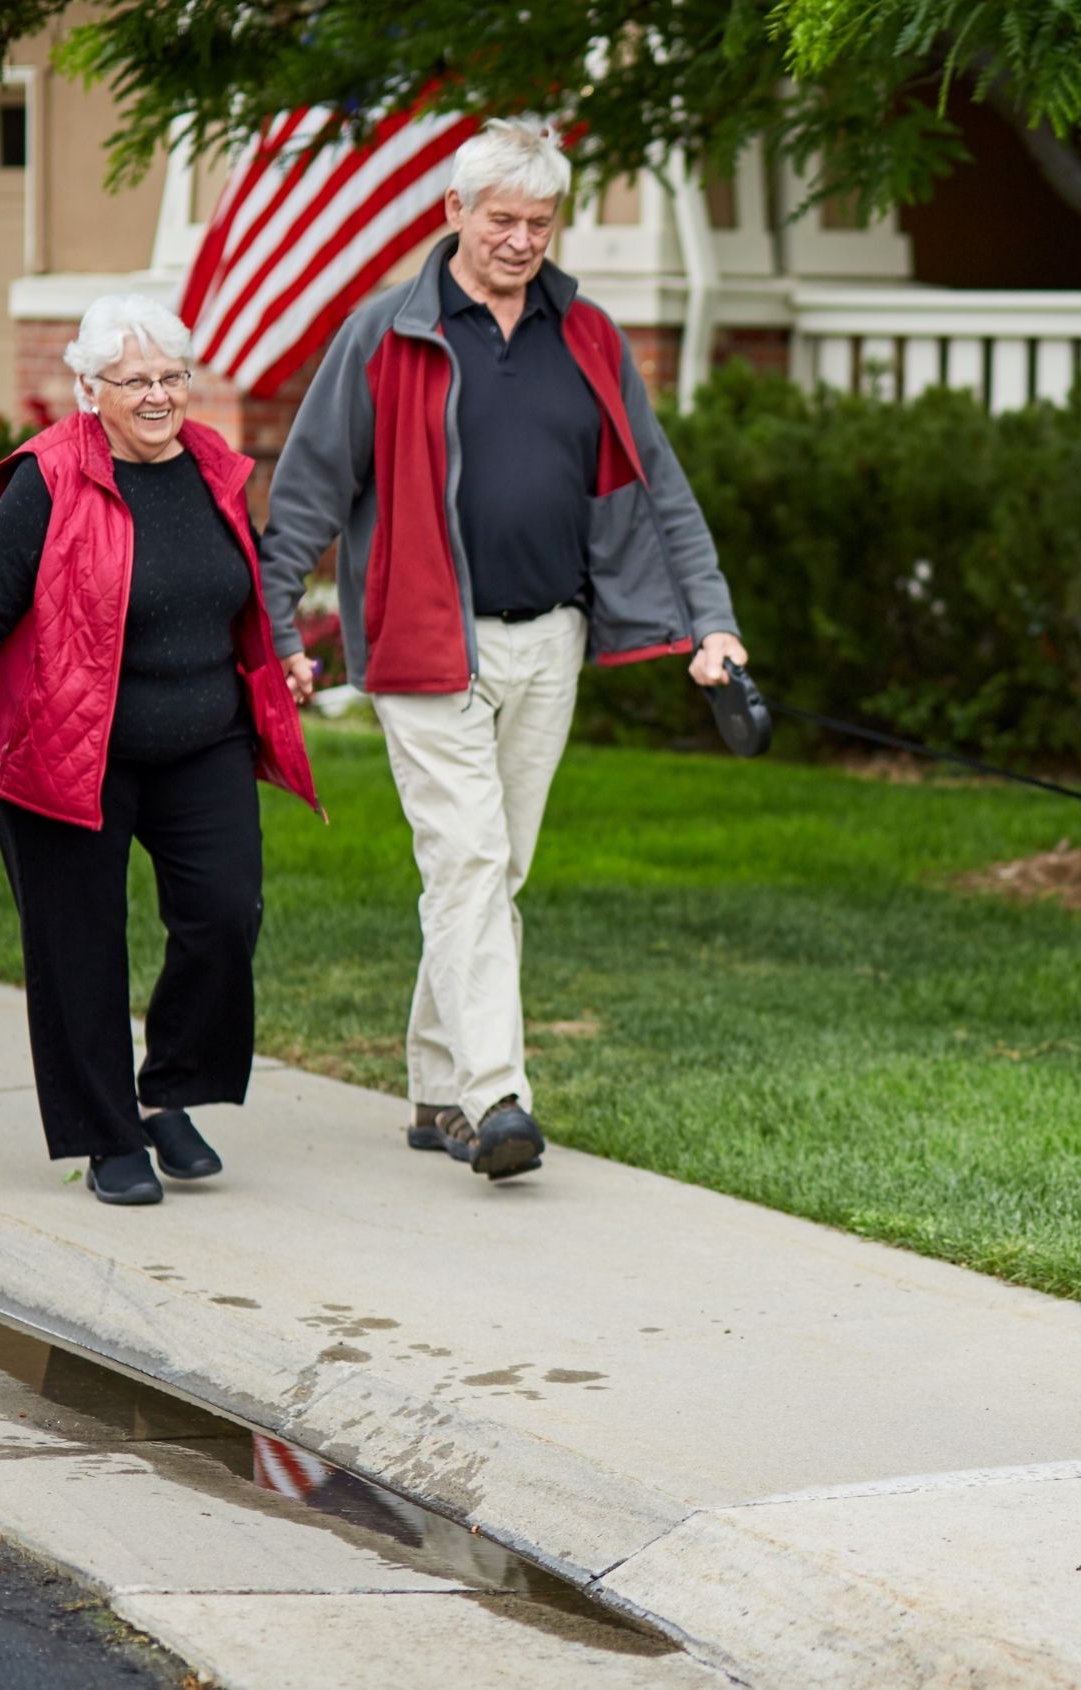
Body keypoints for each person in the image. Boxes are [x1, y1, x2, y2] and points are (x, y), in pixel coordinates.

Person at [261, 118, 745, 1184]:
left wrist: (710, 621)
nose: (522, 240)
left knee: (488, 871)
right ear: (454, 216)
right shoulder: (386, 335)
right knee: (470, 863)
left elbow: (660, 489)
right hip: (426, 638)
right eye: (502, 220)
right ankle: (497, 1099)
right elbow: (303, 498)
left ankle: (436, 1087)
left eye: (540, 221)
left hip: (551, 638)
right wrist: (277, 629)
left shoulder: (590, 336)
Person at [0, 294, 319, 1206]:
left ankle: (171, 1089)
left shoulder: (213, 472)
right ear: (89, 390)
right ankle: (107, 1134)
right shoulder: (50, 480)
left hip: (203, 737)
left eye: (171, 377)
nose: (158, 396)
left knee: (226, 915)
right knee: (79, 947)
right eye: (134, 380)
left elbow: (240, 585)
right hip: (72, 745)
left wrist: (285, 656)